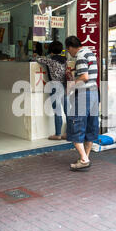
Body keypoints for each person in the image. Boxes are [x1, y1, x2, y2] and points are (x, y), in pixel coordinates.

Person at [65, 36, 99, 171]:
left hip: (84, 94)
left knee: (76, 124)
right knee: (91, 125)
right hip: (94, 93)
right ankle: (85, 157)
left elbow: (84, 77)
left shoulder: (79, 56)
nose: (70, 54)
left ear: (70, 47)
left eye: (68, 50)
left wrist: (71, 86)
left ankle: (84, 159)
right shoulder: (90, 53)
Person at [35, 40, 68, 140]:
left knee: (57, 111)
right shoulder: (65, 60)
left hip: (54, 86)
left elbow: (37, 59)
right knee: (67, 111)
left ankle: (58, 134)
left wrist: (36, 54)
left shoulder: (50, 60)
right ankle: (67, 133)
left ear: (50, 50)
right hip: (64, 85)